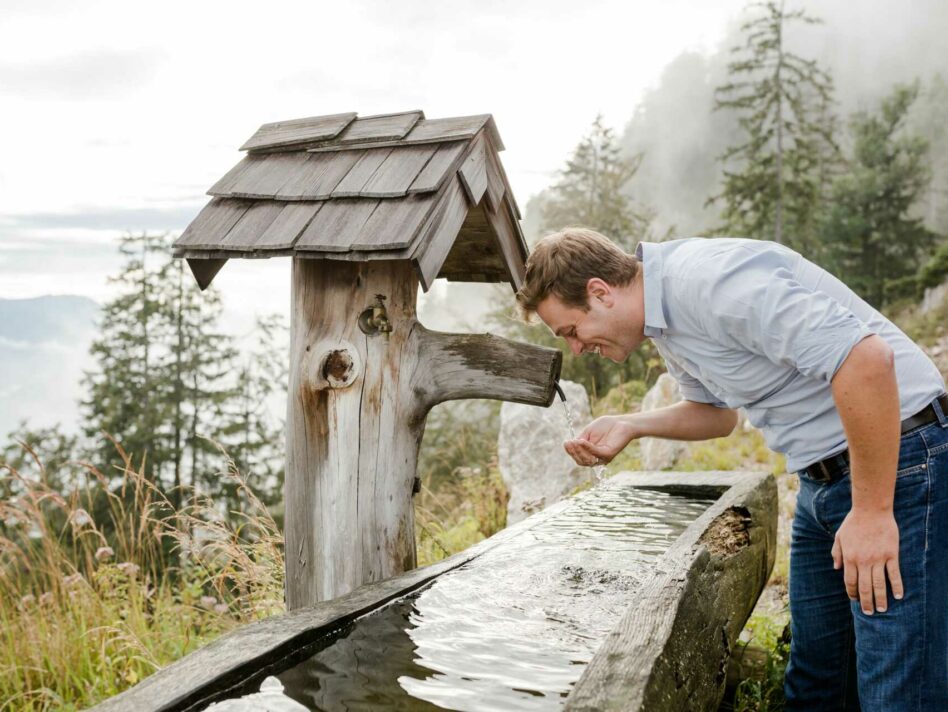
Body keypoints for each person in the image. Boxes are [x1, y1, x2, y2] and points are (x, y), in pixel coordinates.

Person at [515, 228, 947, 711]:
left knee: (899, 688)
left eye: (571, 331)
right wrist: (630, 425)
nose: (576, 349)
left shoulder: (709, 282)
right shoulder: (663, 324)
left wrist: (871, 510)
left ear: (599, 292)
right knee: (817, 681)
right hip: (821, 481)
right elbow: (717, 416)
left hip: (901, 461)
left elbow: (866, 360)